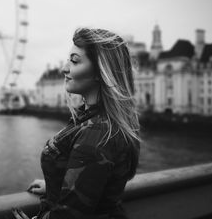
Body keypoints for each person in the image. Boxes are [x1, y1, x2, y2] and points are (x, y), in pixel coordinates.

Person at [12, 28, 140, 219]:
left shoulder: (97, 133)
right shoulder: (99, 121)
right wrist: (56, 185)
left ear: (100, 72)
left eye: (74, 60)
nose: (64, 68)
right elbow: (96, 181)